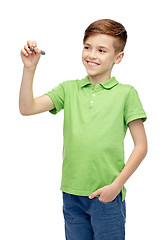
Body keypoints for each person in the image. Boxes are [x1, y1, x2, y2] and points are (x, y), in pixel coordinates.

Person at [19, 19, 148, 240]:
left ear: (118, 57)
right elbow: (27, 108)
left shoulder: (127, 93)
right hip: (71, 194)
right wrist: (29, 68)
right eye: (87, 47)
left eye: (101, 50)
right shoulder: (68, 89)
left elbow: (142, 146)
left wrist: (116, 186)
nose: (91, 55)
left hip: (106, 195)